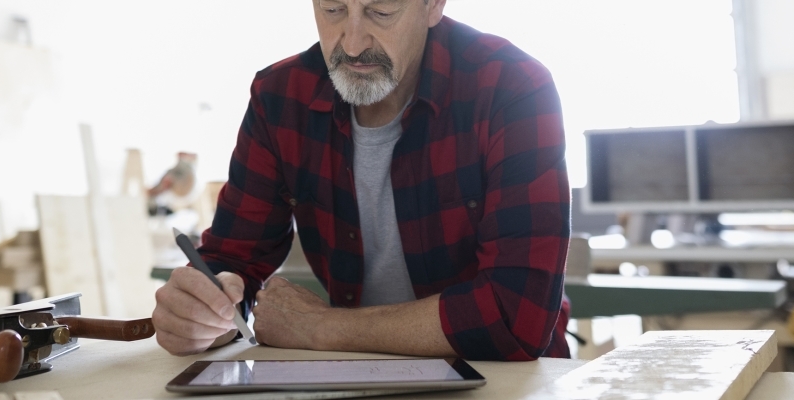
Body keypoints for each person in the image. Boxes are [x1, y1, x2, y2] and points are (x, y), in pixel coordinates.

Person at [152, 0, 571, 361]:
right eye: (333, 9)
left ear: (433, 6)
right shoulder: (280, 98)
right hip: (351, 375)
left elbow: (516, 315)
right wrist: (204, 314)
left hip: (505, 384)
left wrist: (324, 328)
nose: (351, 44)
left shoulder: (511, 87)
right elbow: (233, 261)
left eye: (381, 11)